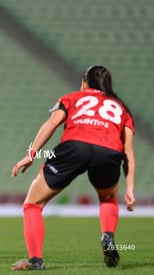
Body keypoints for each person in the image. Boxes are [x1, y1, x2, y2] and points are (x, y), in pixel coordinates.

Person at [11, 65, 136, 270]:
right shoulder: (121, 108)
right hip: (108, 151)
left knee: (32, 204)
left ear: (84, 82)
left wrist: (30, 155)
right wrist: (130, 188)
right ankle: (107, 236)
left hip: (74, 146)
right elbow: (128, 151)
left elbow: (51, 124)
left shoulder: (72, 98)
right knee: (107, 198)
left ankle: (35, 261)